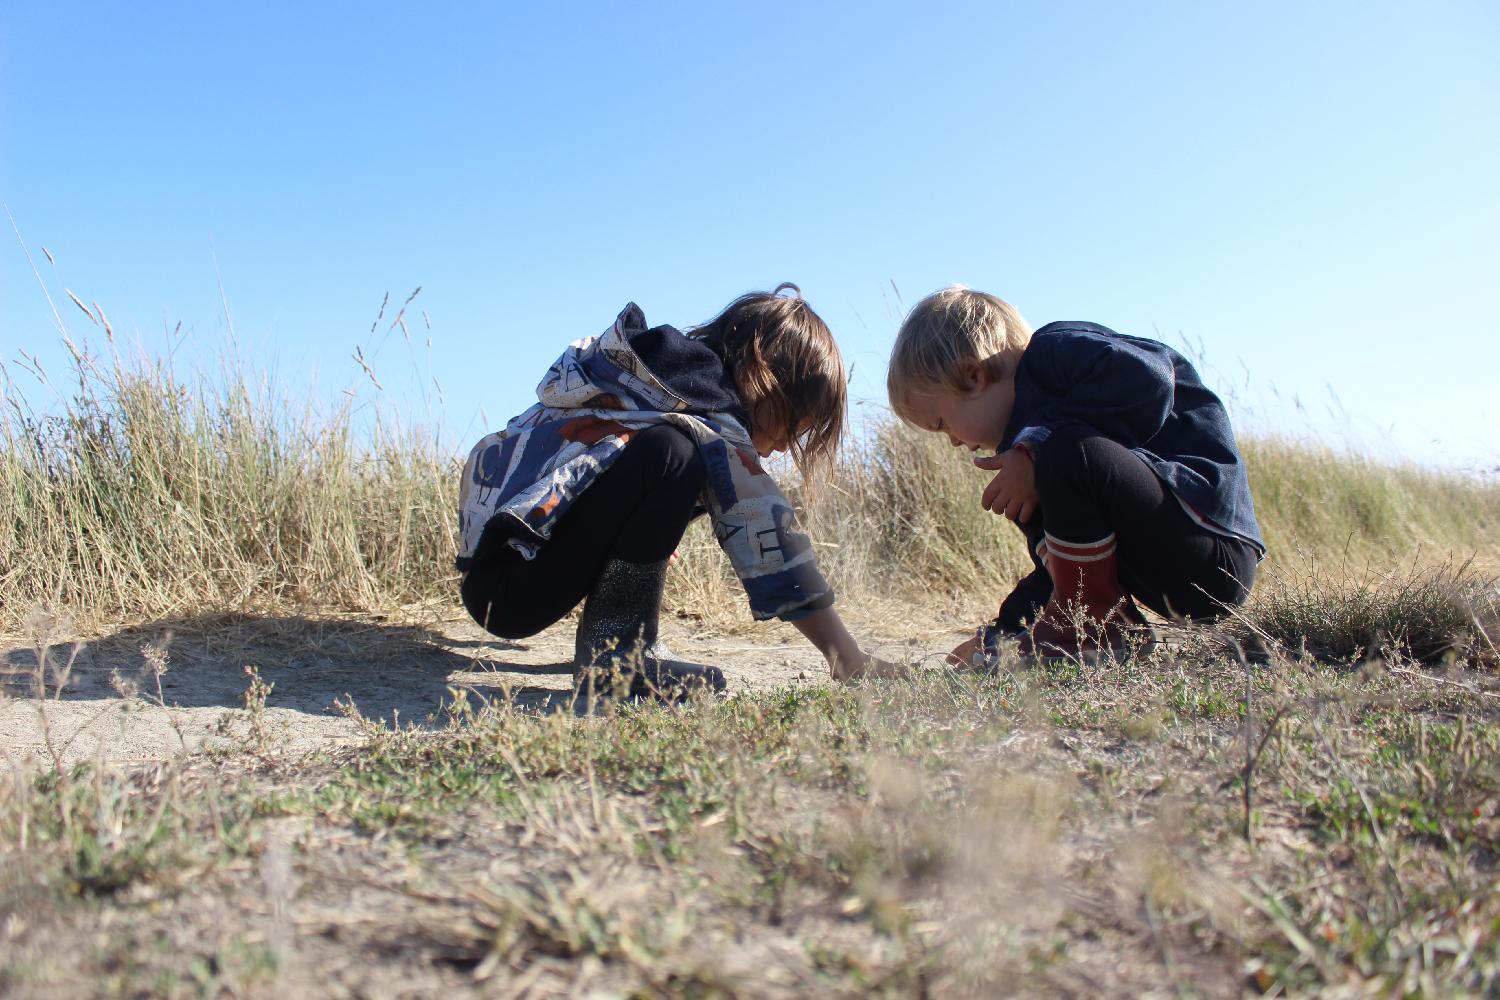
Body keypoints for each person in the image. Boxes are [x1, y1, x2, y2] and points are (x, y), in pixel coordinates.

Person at [457, 283, 891, 706]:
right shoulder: (705, 419)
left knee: (671, 455)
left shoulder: (656, 385)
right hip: (514, 589)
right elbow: (767, 532)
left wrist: (639, 528)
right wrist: (845, 656)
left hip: (500, 574)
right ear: (765, 381)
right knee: (676, 454)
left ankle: (618, 647)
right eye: (798, 422)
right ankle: (618, 665)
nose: (785, 444)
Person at [885, 286, 1265, 663]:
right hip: (1170, 577)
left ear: (972, 376)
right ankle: (1105, 628)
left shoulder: (1053, 354)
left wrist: (1035, 446)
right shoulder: (1030, 463)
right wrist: (1002, 633)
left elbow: (1151, 380)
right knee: (1046, 479)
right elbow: (1063, 571)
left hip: (1210, 546)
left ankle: (1095, 628)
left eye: (941, 423)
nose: (951, 441)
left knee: (1067, 451)